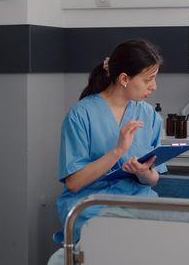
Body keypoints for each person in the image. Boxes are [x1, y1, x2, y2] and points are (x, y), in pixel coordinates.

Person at [55, 39, 165, 242]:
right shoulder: (81, 115)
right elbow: (74, 183)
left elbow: (154, 180)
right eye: (148, 80)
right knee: (116, 236)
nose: (154, 86)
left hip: (137, 202)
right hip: (90, 204)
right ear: (124, 78)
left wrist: (144, 172)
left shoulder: (149, 115)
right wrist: (118, 150)